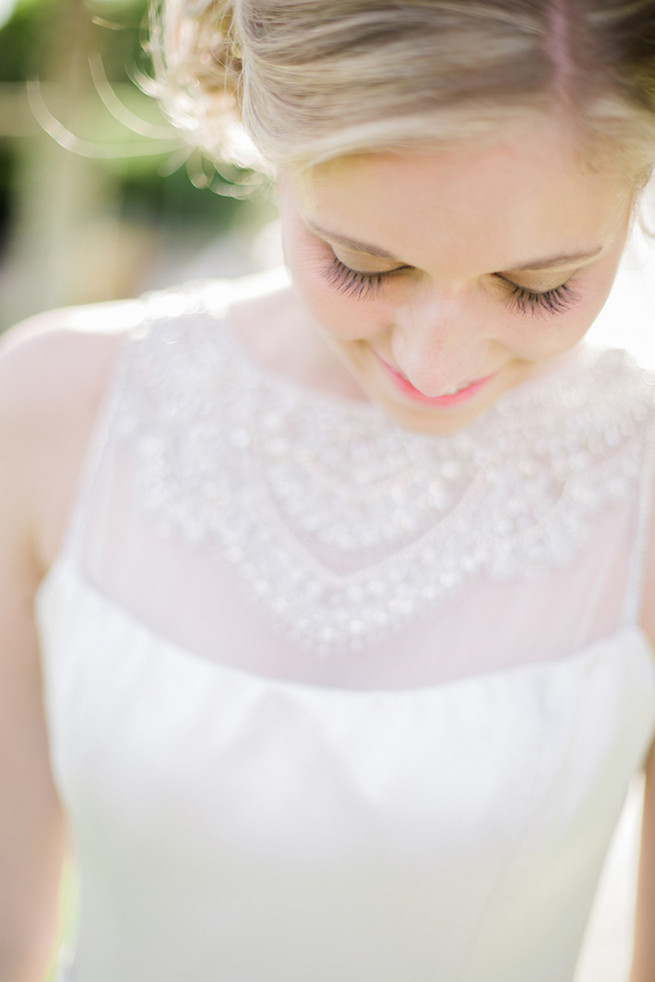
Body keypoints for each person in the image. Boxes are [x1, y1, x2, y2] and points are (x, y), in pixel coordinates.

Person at [3, 1, 655, 980]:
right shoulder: (53, 413)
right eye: (364, 264)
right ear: (271, 144)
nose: (436, 362)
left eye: (535, 286)